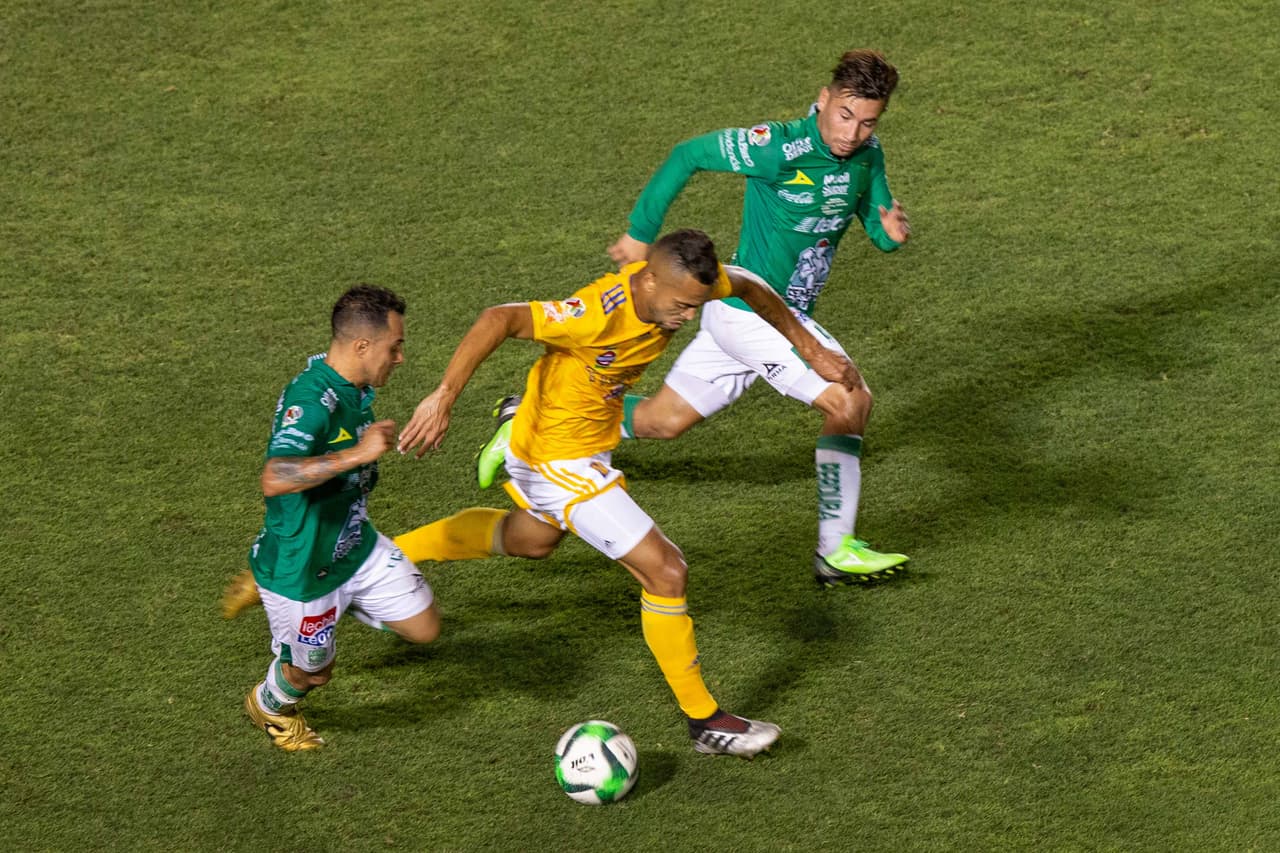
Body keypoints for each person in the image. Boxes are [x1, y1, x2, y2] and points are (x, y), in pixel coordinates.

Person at [396, 230, 859, 757]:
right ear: (650, 278)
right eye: (682, 306)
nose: (687, 318)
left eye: (695, 306)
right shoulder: (595, 312)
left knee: (530, 539)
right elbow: (498, 317)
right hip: (556, 457)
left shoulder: (684, 286)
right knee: (665, 570)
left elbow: (750, 286)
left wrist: (811, 349)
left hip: (586, 443)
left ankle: (387, 557)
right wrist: (442, 397)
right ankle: (706, 722)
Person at [477, 50, 910, 586]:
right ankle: (835, 549)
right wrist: (641, 231)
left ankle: (526, 419)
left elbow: (873, 216)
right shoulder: (777, 147)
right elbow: (687, 155)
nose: (852, 132)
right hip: (750, 309)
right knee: (849, 399)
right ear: (824, 100)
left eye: (868, 121)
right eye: (845, 115)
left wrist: (888, 234)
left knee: (664, 421)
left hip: (759, 317)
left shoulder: (868, 155)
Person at [238, 284, 440, 751]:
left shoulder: (354, 385)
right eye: (396, 347)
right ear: (362, 346)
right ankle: (269, 704)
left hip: (353, 547)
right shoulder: (310, 403)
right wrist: (357, 455)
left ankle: (327, 604)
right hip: (304, 571)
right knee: (314, 671)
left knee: (425, 626)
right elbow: (275, 476)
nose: (401, 357)